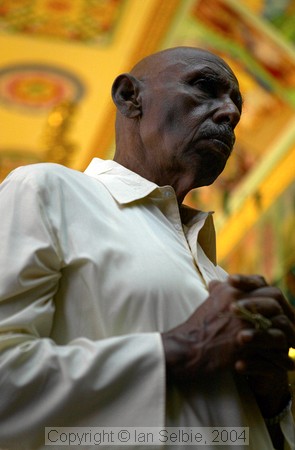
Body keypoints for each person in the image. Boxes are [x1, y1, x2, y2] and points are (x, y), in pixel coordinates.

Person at [0, 46, 294, 450]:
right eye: (205, 88)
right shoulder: (47, 190)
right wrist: (183, 347)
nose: (230, 114)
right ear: (129, 97)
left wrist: (274, 395)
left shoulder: (218, 274)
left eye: (237, 107)